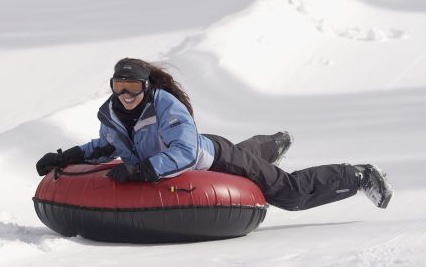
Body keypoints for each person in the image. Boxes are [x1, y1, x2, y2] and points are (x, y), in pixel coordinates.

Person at [36, 57, 393, 211]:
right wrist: (67, 157)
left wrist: (144, 169)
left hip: (215, 159)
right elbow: (105, 145)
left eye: (133, 87)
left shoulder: (166, 106)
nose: (126, 95)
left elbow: (185, 153)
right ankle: (274, 143)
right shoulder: (112, 113)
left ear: (147, 87)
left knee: (288, 194)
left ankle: (358, 174)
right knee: (248, 156)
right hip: (208, 154)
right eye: (119, 86)